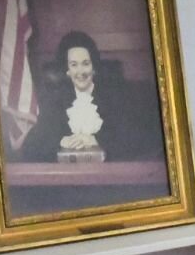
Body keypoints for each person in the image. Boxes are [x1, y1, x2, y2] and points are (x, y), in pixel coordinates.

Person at [19, 31, 162, 162]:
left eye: (85, 64)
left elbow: (140, 140)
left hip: (111, 177)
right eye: (74, 65)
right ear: (67, 70)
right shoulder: (55, 100)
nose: (80, 71)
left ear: (93, 68)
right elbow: (30, 147)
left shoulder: (115, 96)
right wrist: (60, 141)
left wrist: (96, 140)